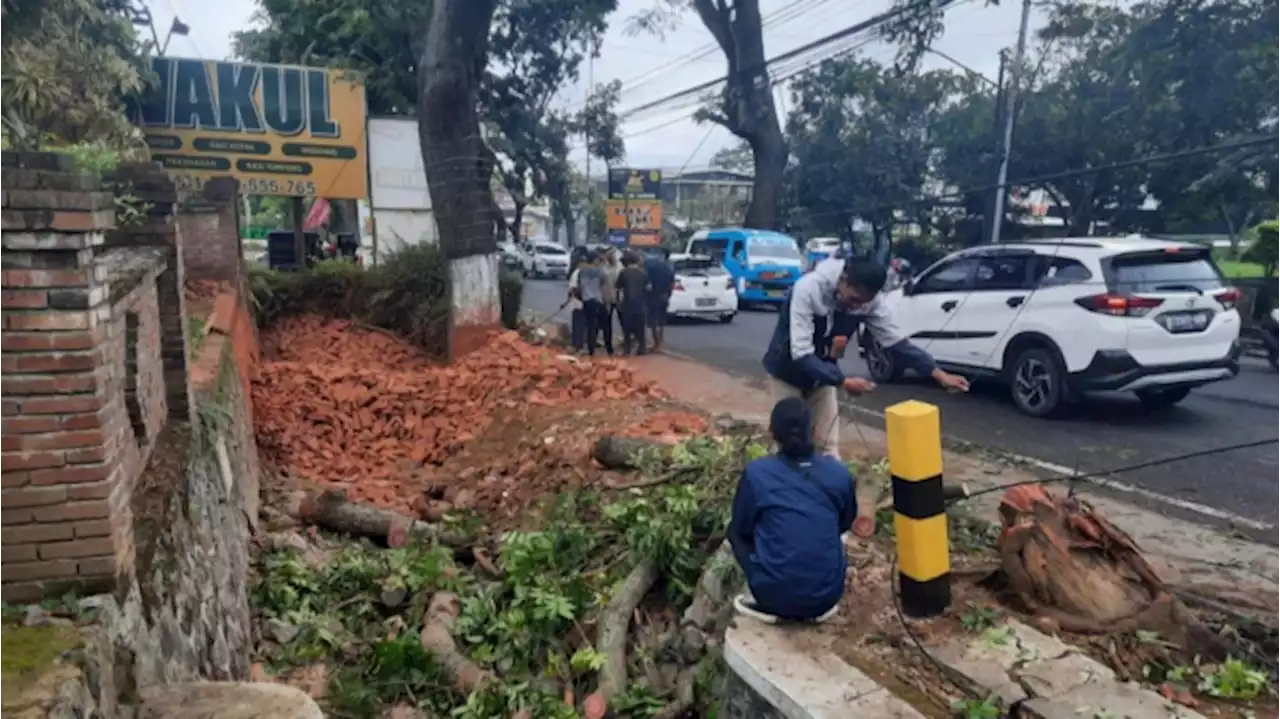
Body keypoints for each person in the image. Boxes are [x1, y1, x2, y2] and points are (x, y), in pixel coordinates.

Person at [763, 257, 970, 459]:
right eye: (854, 300)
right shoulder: (808, 289)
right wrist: (843, 382)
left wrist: (939, 374)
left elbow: (895, 343)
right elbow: (800, 353)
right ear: (843, 280)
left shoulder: (870, 302)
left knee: (827, 446)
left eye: (864, 302)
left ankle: (826, 490)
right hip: (787, 372)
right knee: (786, 442)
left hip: (823, 376)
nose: (857, 307)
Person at [729, 397, 856, 622]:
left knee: (735, 532)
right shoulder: (839, 473)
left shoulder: (758, 473)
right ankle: (812, 590)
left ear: (772, 433)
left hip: (773, 597)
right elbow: (845, 522)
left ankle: (770, 595)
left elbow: (742, 529)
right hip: (827, 597)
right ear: (815, 430)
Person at [577, 251, 614, 356]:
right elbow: (604, 288)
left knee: (590, 326)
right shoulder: (600, 272)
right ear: (595, 260)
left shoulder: (582, 272)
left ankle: (591, 349)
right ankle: (609, 348)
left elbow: (580, 287)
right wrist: (608, 302)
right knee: (606, 326)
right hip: (598, 301)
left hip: (587, 301)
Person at [616, 251, 651, 355]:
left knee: (627, 329)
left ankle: (627, 350)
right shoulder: (643, 273)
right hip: (640, 304)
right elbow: (649, 288)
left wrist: (618, 302)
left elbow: (618, 289)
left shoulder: (623, 273)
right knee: (640, 328)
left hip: (628, 304)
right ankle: (642, 348)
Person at [643, 248, 675, 350]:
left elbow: (647, 284)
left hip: (653, 296)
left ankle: (656, 344)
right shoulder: (667, 268)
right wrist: (669, 294)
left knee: (653, 321)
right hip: (664, 295)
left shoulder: (650, 268)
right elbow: (672, 283)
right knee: (661, 320)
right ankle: (660, 341)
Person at [566, 259, 586, 353]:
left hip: (581, 303)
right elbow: (572, 289)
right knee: (578, 325)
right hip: (578, 303)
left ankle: (578, 344)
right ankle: (577, 345)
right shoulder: (577, 274)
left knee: (580, 326)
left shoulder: (582, 273)